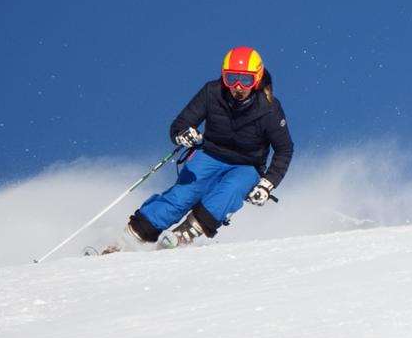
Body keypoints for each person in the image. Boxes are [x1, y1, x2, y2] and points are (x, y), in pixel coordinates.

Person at [107, 46, 294, 252]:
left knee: (230, 191)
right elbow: (180, 125)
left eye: (246, 80)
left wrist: (267, 184)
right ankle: (131, 237)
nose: (238, 87)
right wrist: (184, 134)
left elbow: (284, 149)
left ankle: (187, 231)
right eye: (231, 79)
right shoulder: (212, 93)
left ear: (257, 79)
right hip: (211, 154)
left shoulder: (269, 108)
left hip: (247, 165)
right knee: (184, 195)